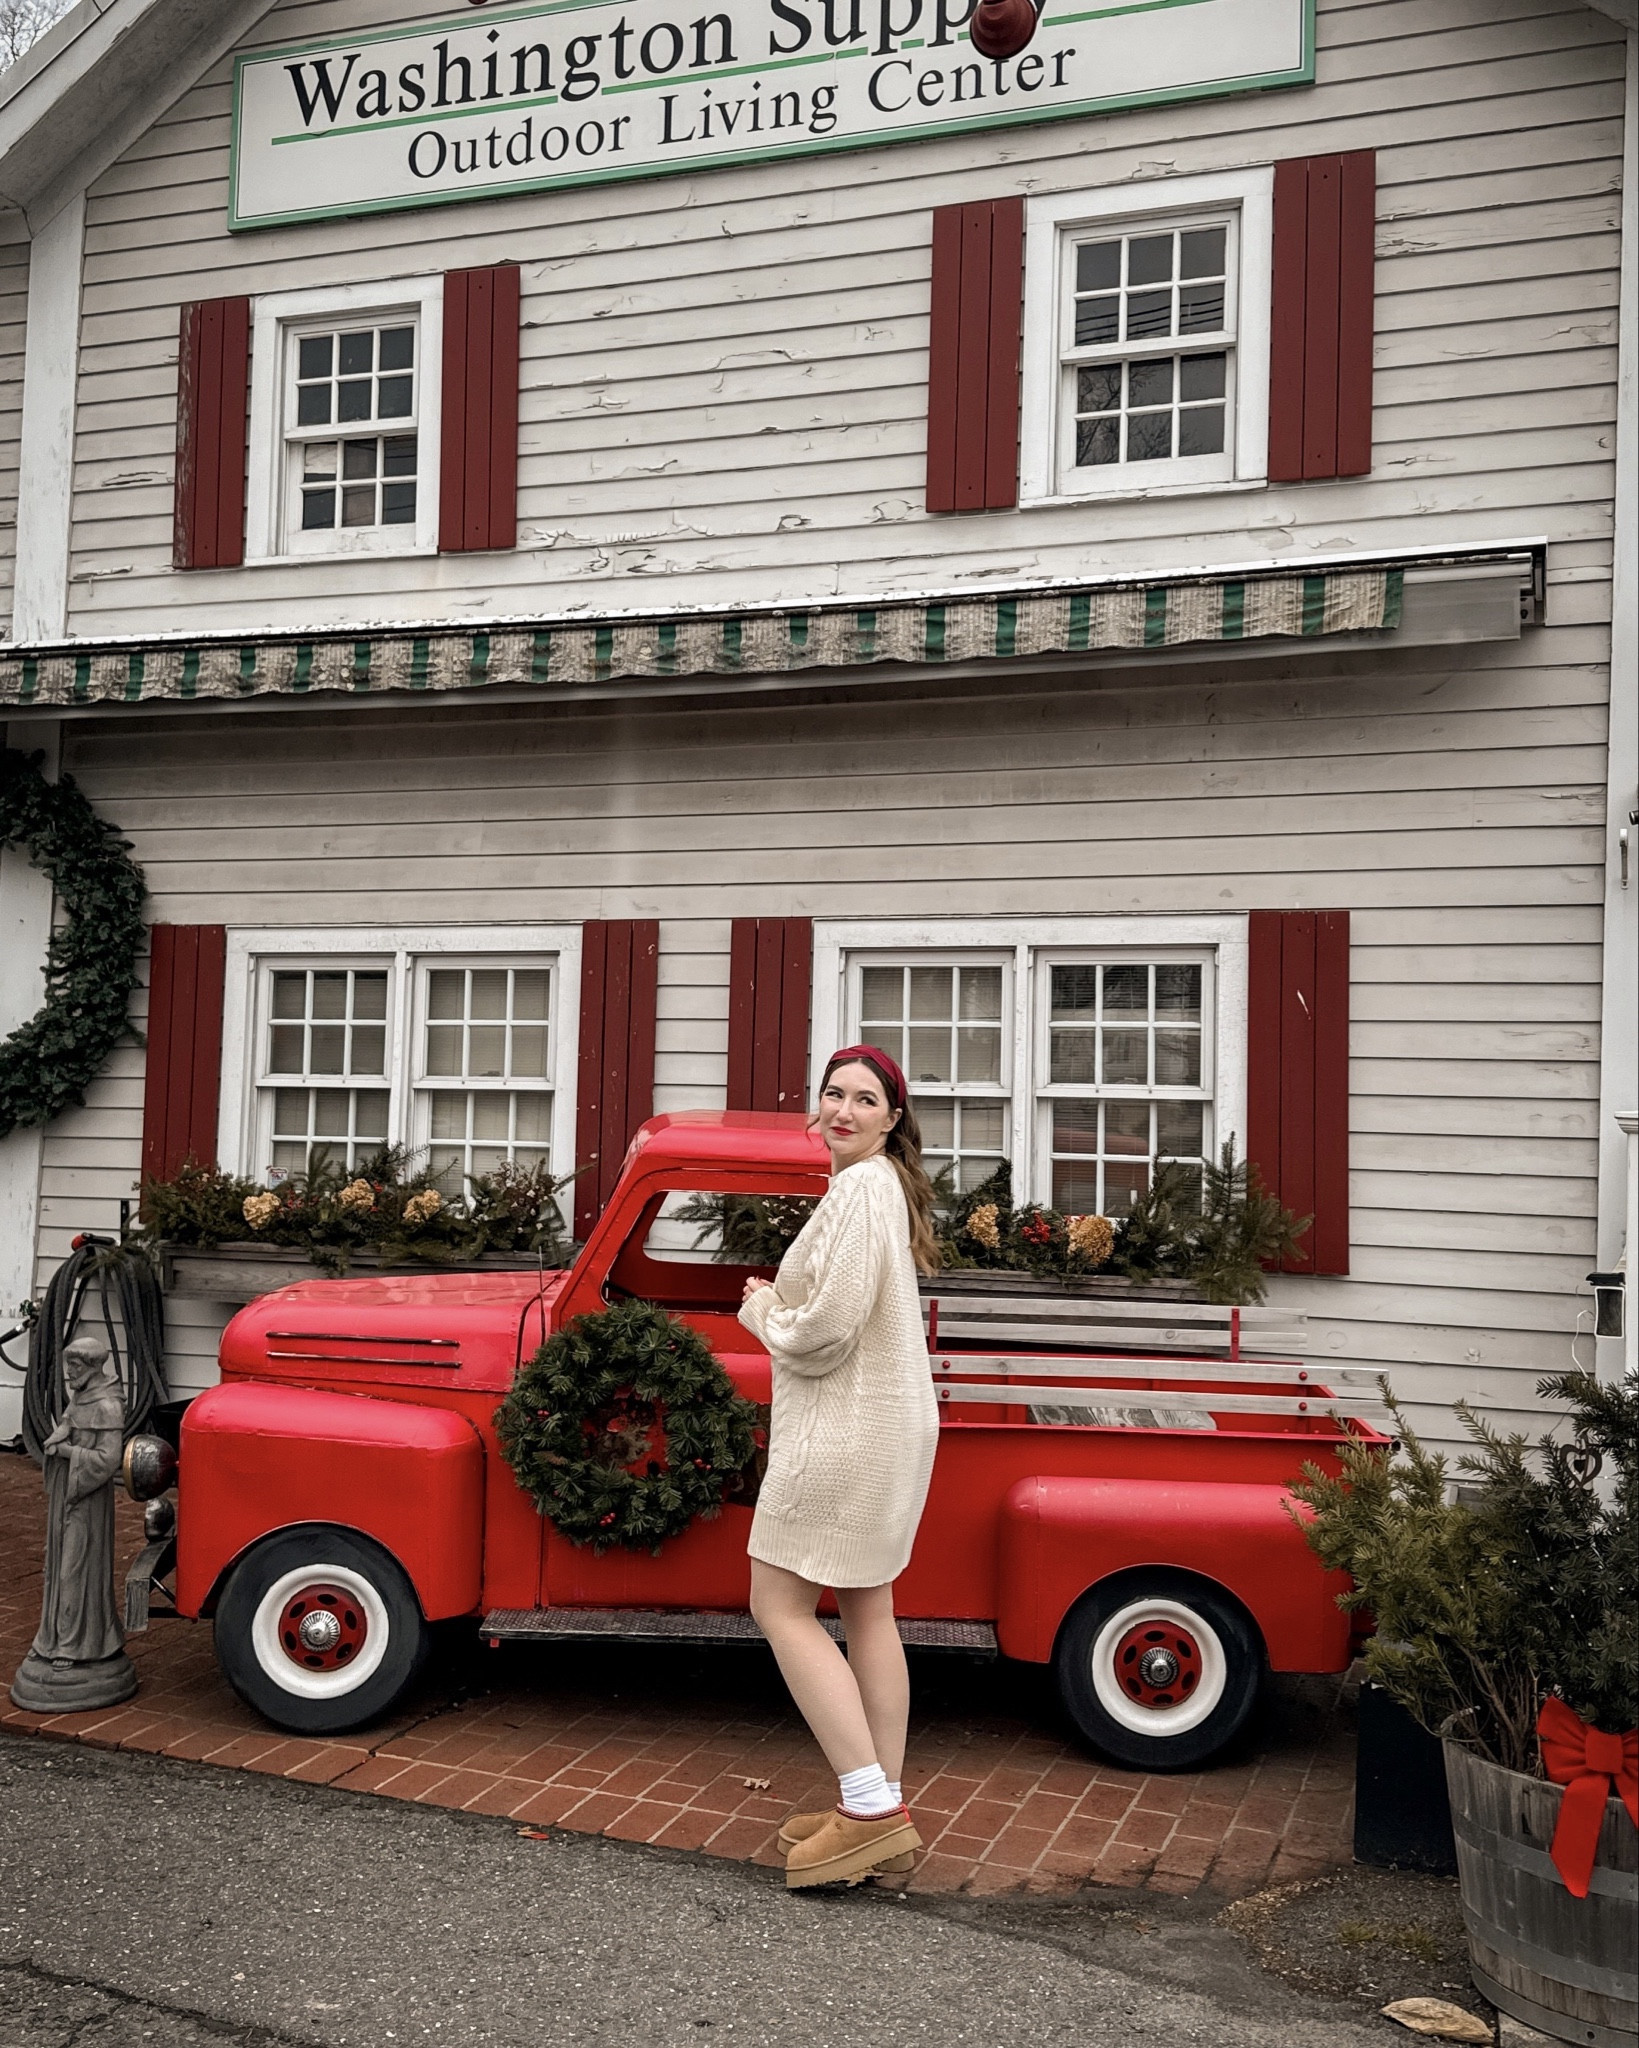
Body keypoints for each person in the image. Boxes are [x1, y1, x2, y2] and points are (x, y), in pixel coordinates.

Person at [738, 1044, 942, 1889]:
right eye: (833, 1094)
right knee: (867, 1606)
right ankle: (880, 1801)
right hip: (888, 1428)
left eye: (864, 1100)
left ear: (891, 1120)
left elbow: (826, 1331)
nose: (843, 1111)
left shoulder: (861, 1188)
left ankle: (866, 1807)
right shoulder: (878, 1189)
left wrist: (761, 1313)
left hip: (847, 1431)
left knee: (777, 1601)